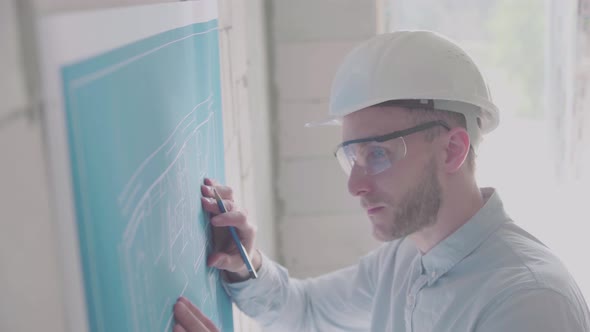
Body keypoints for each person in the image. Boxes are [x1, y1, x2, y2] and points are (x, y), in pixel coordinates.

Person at [172, 31, 590, 331]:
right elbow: (306, 311)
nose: (355, 185)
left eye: (377, 153)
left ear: (452, 150)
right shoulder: (405, 260)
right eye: (351, 156)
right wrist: (248, 264)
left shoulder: (530, 305)